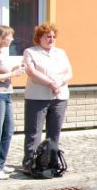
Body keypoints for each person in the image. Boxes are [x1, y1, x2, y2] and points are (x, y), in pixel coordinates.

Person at [22, 23, 73, 173]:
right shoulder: (30, 52)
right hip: (37, 97)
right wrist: (51, 83)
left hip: (59, 96)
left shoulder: (60, 53)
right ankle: (30, 163)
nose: (51, 39)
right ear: (39, 37)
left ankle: (51, 161)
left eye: (53, 37)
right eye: (47, 36)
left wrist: (59, 83)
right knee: (34, 132)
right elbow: (32, 72)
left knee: (54, 131)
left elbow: (69, 72)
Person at [0, 25, 25, 180]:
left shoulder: (2, 53)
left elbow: (3, 71)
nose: (12, 39)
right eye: (10, 36)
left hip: (6, 94)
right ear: (2, 38)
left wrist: (16, 68)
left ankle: (0, 163)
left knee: (8, 130)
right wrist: (13, 73)